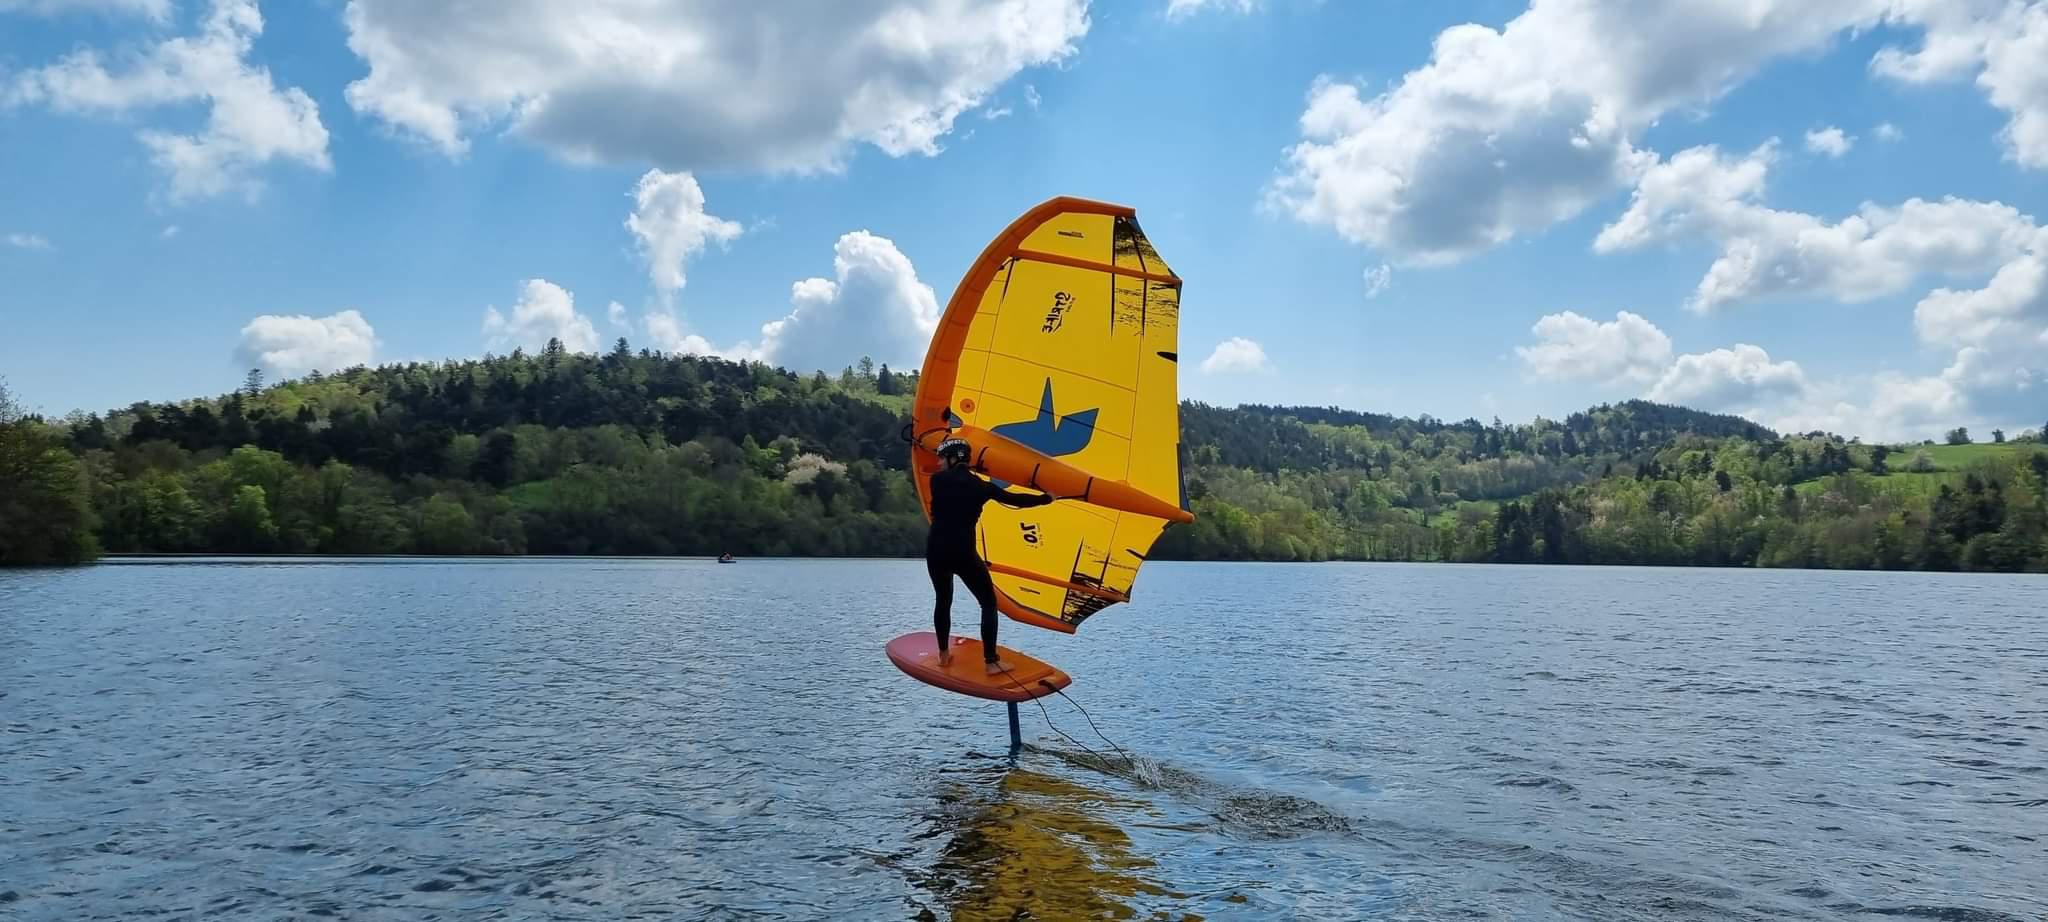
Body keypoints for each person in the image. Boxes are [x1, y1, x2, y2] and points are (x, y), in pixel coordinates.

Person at [927, 436, 1054, 674]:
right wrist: (1046, 498)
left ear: (954, 458)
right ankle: (991, 662)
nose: (938, 463)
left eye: (942, 458)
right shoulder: (981, 487)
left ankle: (943, 655)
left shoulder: (937, 481)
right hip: (963, 553)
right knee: (988, 603)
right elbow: (1015, 500)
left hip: (936, 551)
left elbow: (946, 480)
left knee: (943, 601)